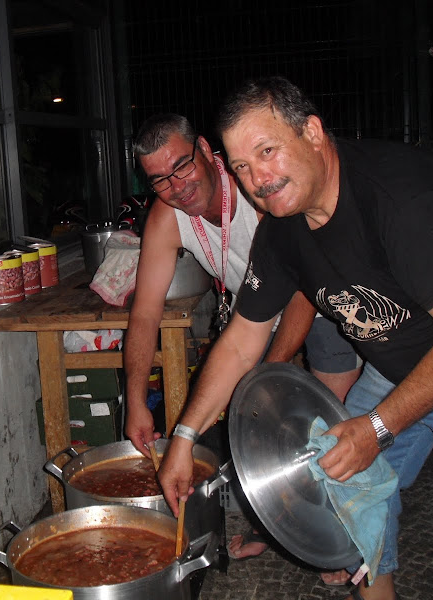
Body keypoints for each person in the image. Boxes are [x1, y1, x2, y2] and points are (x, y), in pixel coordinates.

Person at [157, 76, 433, 600]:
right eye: (242, 167)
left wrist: (377, 426)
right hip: (397, 364)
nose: (258, 180)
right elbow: (239, 343)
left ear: (313, 133)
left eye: (268, 151)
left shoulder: (402, 197)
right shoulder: (282, 227)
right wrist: (184, 438)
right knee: (341, 490)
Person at [123, 113, 362, 584]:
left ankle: (348, 545)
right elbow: (145, 313)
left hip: (320, 303)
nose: (177, 186)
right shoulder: (166, 217)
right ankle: (275, 526)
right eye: (160, 180)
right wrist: (134, 401)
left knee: (325, 428)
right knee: (253, 428)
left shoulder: (255, 189)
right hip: (251, 316)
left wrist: (262, 380)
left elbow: (301, 289)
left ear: (206, 150)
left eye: (183, 166)